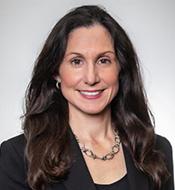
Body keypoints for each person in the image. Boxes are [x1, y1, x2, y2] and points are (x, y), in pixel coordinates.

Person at [0, 5, 174, 190]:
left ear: (120, 69)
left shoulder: (156, 150)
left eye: (103, 60)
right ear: (56, 72)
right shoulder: (18, 156)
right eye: (76, 61)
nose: (91, 78)